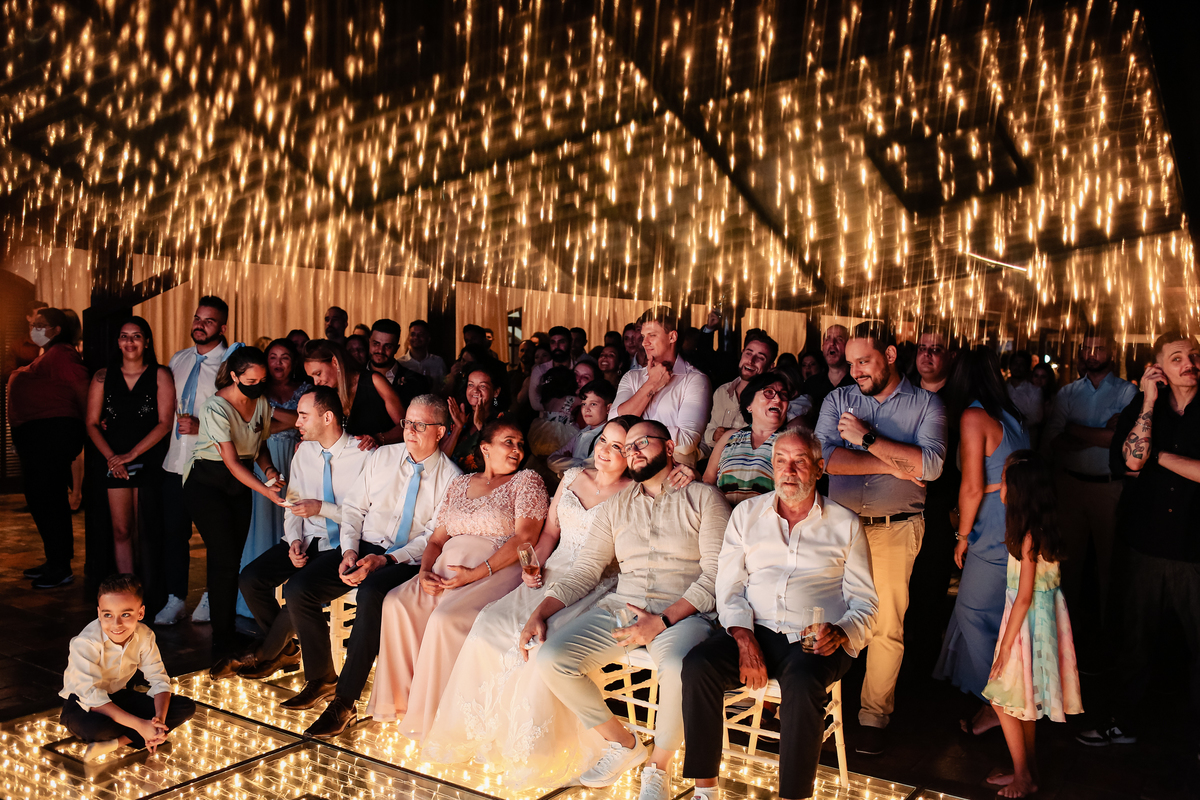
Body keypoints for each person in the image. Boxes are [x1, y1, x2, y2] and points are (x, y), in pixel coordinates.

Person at [420, 417, 640, 787]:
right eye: (603, 440)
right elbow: (549, 533)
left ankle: (530, 750)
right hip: (548, 571)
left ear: (631, 455)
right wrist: (529, 567)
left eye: (617, 446)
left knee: (539, 646)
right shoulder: (571, 479)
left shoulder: (633, 493)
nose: (604, 450)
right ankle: (483, 734)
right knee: (488, 624)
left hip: (595, 581)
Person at [523, 420, 731, 800]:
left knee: (678, 667)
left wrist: (665, 619)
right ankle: (624, 744)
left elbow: (716, 576)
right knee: (552, 656)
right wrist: (542, 610)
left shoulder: (704, 498)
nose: (633, 451)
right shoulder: (615, 507)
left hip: (683, 613)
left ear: (669, 449)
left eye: (643, 443)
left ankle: (658, 767)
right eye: (627, 446)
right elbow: (586, 570)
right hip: (624, 607)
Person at [682, 428, 878, 800]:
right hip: (754, 628)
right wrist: (742, 636)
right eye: (780, 461)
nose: (789, 471)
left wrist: (841, 631)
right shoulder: (746, 514)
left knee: (804, 686)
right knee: (697, 666)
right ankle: (705, 791)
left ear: (819, 468)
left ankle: (793, 796)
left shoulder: (845, 523)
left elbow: (866, 603)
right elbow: (729, 586)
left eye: (800, 461)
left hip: (814, 641)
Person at [814, 321, 946, 755]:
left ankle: (873, 714)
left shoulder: (927, 404)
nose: (856, 371)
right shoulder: (838, 399)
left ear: (889, 355)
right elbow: (827, 460)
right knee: (820, 613)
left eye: (864, 361)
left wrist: (868, 439)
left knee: (887, 624)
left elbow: (929, 467)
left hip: (896, 526)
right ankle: (812, 703)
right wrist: (893, 463)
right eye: (851, 363)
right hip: (838, 526)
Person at [368, 421, 549, 739]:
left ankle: (439, 714)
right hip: (443, 568)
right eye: (509, 442)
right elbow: (436, 539)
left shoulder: (526, 481)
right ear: (485, 448)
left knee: (444, 619)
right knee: (396, 603)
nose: (517, 449)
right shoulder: (459, 484)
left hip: (493, 570)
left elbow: (526, 537)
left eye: (520, 444)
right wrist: (424, 571)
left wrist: (477, 573)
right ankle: (408, 702)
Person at [304, 395, 462, 736]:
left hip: (407, 558)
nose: (410, 431)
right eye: (407, 422)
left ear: (441, 432)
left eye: (421, 425)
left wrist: (387, 559)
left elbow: (433, 537)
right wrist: (348, 551)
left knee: (373, 592)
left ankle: (344, 703)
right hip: (364, 545)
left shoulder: (452, 478)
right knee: (300, 588)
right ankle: (320, 677)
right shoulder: (381, 457)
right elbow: (353, 509)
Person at [214, 387, 372, 699]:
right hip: (309, 538)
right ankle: (284, 648)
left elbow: (369, 517)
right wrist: (295, 541)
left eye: (303, 415)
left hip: (346, 543)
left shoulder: (365, 454)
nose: (295, 421)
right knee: (251, 578)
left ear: (327, 417)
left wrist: (322, 509)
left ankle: (266, 654)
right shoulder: (304, 453)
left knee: (298, 590)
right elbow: (294, 502)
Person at [1082, 332, 1200, 749]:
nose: (1189, 362)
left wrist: (1160, 458)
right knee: (1134, 639)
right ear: (1160, 370)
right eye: (1177, 357)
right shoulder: (1144, 407)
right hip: (1144, 543)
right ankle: (1122, 721)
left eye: (1193, 355)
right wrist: (1148, 402)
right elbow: (1130, 461)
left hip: (1194, 547)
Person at [934, 347, 1029, 734]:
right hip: (1013, 519)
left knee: (974, 613)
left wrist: (961, 536)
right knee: (992, 613)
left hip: (990, 522)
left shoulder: (974, 415)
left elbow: (972, 487)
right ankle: (998, 702)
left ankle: (1000, 704)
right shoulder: (1012, 415)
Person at [981, 451, 1081, 798]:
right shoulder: (1041, 529)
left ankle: (1023, 774)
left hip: (1025, 627)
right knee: (1020, 699)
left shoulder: (1027, 538)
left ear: (1018, 491)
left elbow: (1023, 597)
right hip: (1039, 622)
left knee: (1000, 697)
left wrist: (1006, 646)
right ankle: (1027, 769)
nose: (999, 487)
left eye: (1004, 480)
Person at [182, 344, 288, 658]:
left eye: (261, 381)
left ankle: (225, 636)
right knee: (224, 561)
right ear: (233, 376)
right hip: (207, 482)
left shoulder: (261, 403)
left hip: (238, 485)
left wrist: (269, 470)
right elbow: (230, 461)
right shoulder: (215, 407)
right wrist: (266, 490)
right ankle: (222, 640)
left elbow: (259, 444)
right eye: (250, 381)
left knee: (230, 561)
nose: (256, 387)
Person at [1041, 330, 1136, 650]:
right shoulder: (1068, 392)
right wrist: (1097, 433)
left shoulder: (1126, 392)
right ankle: (1068, 634)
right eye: (1087, 348)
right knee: (1069, 563)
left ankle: (1110, 634)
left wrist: (1075, 429)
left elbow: (1118, 440)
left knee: (1111, 564)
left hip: (1109, 488)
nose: (1092, 353)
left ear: (1112, 351)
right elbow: (1054, 440)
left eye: (1099, 348)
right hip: (1069, 485)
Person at [59, 575, 196, 762]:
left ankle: (118, 742)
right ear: (99, 613)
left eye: (125, 614)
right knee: (96, 728)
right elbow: (91, 696)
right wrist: (140, 724)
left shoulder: (145, 635)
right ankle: (139, 732)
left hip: (119, 696)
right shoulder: (85, 642)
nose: (116, 624)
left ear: (140, 613)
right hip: (82, 704)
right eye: (108, 615)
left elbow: (159, 679)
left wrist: (159, 720)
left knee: (184, 706)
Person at [156, 296, 229, 625]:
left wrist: (204, 427)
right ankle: (175, 598)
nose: (200, 325)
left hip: (210, 461)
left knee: (214, 536)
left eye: (209, 321)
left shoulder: (231, 362)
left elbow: (240, 413)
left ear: (222, 327)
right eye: (198, 318)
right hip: (175, 461)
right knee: (174, 534)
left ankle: (212, 597)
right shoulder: (179, 359)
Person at [85, 318, 174, 575]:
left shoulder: (160, 374)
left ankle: (150, 593)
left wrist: (130, 455)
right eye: (124, 336)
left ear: (146, 342)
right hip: (112, 458)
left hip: (148, 457)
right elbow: (91, 423)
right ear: (118, 342)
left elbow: (165, 423)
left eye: (136, 336)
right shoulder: (102, 377)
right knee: (121, 530)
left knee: (146, 530)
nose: (130, 341)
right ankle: (127, 589)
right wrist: (114, 458)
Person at [10, 307, 88, 589]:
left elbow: (82, 388)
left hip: (52, 437)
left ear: (57, 329)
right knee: (40, 497)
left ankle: (60, 565)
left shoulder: (63, 354)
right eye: (33, 324)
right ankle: (53, 559)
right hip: (39, 438)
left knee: (50, 499)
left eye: (41, 325)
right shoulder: (48, 355)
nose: (35, 329)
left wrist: (88, 424)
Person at [235, 338, 308, 618]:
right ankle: (255, 599)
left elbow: (291, 422)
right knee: (262, 523)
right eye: (273, 357)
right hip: (263, 460)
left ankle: (294, 596)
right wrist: (284, 419)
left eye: (285, 357)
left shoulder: (304, 390)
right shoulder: (257, 389)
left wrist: (269, 414)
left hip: (295, 458)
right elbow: (259, 427)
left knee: (295, 523)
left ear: (294, 362)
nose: (278, 363)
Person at [904, 329, 960, 683]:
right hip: (899, 502)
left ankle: (920, 670)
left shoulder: (959, 401)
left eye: (935, 349)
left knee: (930, 587)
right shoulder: (903, 394)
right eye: (922, 348)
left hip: (939, 505)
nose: (927, 355)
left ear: (949, 356)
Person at [610, 306, 712, 466]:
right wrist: (651, 384)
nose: (644, 342)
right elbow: (614, 426)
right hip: (630, 472)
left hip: (673, 475)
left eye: (652, 335)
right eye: (643, 336)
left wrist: (632, 431)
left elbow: (686, 443)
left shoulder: (694, 380)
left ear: (672, 337)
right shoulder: (632, 377)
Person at [703, 371, 791, 504]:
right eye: (768, 392)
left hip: (767, 522)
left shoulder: (790, 442)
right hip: (725, 520)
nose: (778, 399)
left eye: (783, 394)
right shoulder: (729, 437)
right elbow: (708, 481)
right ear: (749, 405)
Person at [303, 339, 404, 450]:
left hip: (382, 459)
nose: (316, 382)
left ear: (335, 362)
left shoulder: (374, 381)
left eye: (318, 374)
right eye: (312, 377)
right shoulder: (326, 395)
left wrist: (379, 438)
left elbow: (406, 426)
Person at [702, 330, 778, 457]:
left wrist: (731, 436)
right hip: (715, 467)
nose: (751, 360)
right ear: (742, 354)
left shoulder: (770, 400)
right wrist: (714, 435)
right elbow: (709, 430)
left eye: (760, 357)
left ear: (771, 367)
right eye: (748, 353)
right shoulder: (722, 391)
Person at [441, 361, 507, 472]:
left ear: (496, 392)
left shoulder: (502, 420)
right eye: (471, 384)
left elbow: (500, 461)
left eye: (482, 386)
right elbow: (441, 460)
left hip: (481, 485)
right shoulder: (458, 417)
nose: (475, 390)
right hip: (451, 482)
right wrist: (458, 428)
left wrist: (482, 427)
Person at [548, 379, 616, 474]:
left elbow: (592, 466)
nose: (586, 409)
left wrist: (568, 461)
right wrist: (578, 463)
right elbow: (552, 459)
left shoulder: (606, 436)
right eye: (584, 404)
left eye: (593, 404)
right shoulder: (582, 432)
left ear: (608, 408)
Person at [366, 318, 431, 405]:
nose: (380, 350)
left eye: (388, 346)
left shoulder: (417, 382)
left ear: (396, 348)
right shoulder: (355, 376)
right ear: (369, 342)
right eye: (376, 344)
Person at [801, 324, 854, 427]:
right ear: (823, 347)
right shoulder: (811, 384)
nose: (832, 344)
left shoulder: (857, 383)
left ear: (848, 345)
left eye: (839, 339)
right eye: (827, 339)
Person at [527, 327, 578, 412]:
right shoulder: (540, 370)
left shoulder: (579, 368)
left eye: (561, 342)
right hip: (546, 420)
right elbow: (535, 403)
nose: (556, 346)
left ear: (570, 343)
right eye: (553, 342)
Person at [1007, 351, 1044, 446]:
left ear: (1027, 368)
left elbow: (1035, 418)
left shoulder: (1034, 391)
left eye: (1022, 364)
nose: (1018, 367)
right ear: (1010, 366)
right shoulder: (1002, 389)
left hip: (1025, 441)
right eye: (1015, 363)